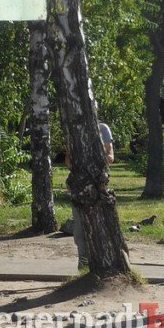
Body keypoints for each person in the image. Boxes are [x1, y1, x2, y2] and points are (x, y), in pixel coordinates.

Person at [65, 108, 114, 269]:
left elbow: (110, 156)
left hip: (98, 186)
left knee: (102, 226)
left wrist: (91, 161)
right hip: (79, 186)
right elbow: (68, 160)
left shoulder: (103, 129)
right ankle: (83, 264)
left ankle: (105, 262)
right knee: (79, 228)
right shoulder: (74, 131)